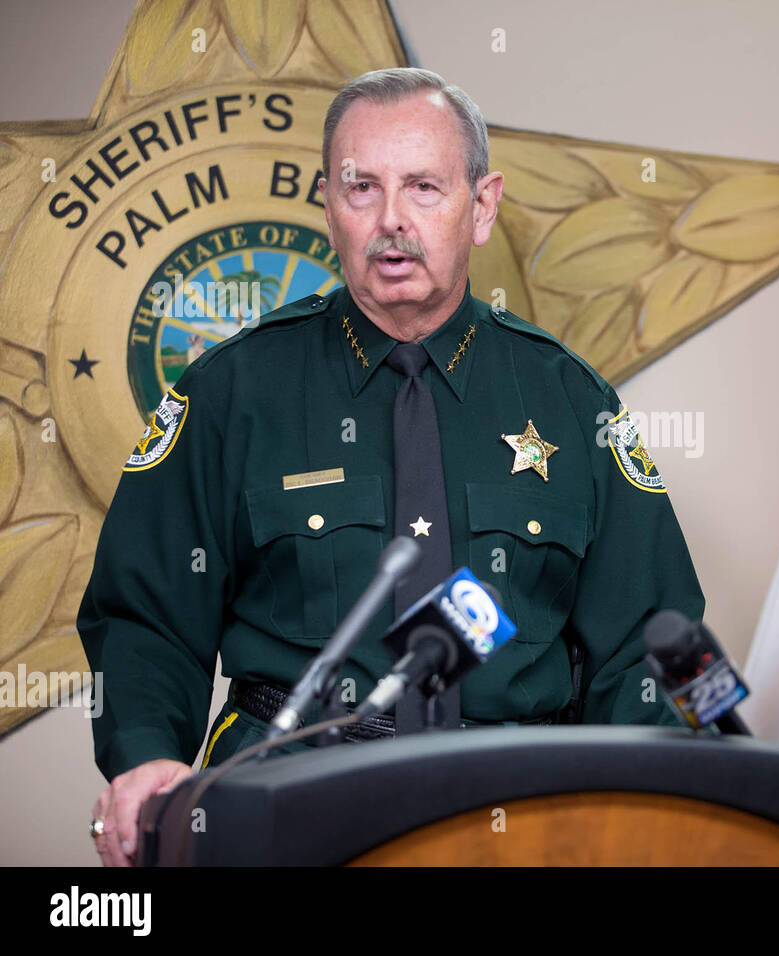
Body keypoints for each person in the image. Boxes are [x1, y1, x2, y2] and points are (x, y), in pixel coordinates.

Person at [78, 68, 704, 867]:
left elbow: (663, 637)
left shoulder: (571, 402)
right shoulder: (234, 390)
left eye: (424, 187)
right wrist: (145, 759)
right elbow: (144, 617)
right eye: (361, 188)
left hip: (520, 817)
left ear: (482, 206)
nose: (391, 221)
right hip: (288, 805)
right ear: (328, 204)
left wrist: (654, 801)